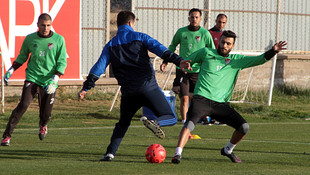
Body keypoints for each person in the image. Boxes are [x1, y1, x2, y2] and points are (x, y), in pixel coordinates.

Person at [78, 11, 191, 161]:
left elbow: (98, 67)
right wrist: (178, 61)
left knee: (123, 123)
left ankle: (110, 153)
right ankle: (155, 122)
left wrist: (86, 87)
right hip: (148, 88)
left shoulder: (110, 45)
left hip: (128, 93)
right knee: (170, 117)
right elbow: (160, 49)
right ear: (131, 23)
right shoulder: (140, 36)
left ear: (118, 25)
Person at [171, 30, 287, 164]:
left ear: (232, 46)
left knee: (244, 127)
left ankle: (228, 150)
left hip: (221, 105)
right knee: (189, 123)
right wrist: (185, 65)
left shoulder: (236, 60)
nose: (224, 45)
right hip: (201, 99)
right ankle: (177, 154)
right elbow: (186, 61)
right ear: (218, 42)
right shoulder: (206, 52)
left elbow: (259, 60)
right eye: (223, 42)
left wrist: (273, 51)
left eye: (228, 43)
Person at [1, 13, 67, 146]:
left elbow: (62, 61)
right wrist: (11, 70)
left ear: (51, 25)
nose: (45, 28)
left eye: (48, 25)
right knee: (23, 105)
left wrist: (55, 78)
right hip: (32, 77)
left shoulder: (59, 40)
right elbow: (23, 56)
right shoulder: (30, 39)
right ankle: (6, 136)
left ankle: (43, 124)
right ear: (37, 25)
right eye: (43, 25)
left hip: (49, 81)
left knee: (46, 112)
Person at [160, 8, 215, 139]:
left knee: (195, 99)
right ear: (188, 18)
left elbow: (212, 51)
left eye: (196, 17)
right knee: (184, 98)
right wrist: (165, 61)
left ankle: (193, 121)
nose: (194, 19)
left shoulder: (205, 34)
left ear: (200, 19)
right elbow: (172, 47)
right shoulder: (181, 32)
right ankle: (185, 126)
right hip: (182, 70)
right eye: (192, 17)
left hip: (197, 71)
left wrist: (213, 67)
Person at [200, 13, 228, 126]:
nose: (221, 24)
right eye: (219, 22)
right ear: (215, 21)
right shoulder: (209, 33)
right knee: (207, 92)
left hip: (222, 68)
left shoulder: (226, 35)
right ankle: (205, 117)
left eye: (223, 22)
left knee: (219, 92)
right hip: (210, 67)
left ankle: (218, 117)